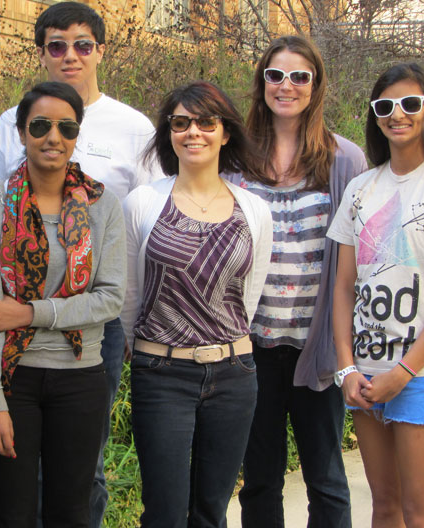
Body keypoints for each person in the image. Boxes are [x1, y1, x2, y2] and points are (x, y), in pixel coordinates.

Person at [0, 1, 157, 525]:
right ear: (43, 53)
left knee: (86, 468)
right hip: (15, 331)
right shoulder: (11, 124)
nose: (70, 56)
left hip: (94, 327)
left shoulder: (133, 128)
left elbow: (145, 229)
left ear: (101, 51)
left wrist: (131, 322)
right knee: (20, 465)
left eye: (83, 45)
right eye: (57, 46)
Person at [0, 81, 126, 527]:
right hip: (13, 381)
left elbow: (109, 298)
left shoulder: (102, 206)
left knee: (71, 513)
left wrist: (29, 312)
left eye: (66, 127)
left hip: (81, 378)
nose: (53, 137)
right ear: (20, 132)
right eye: (40, 125)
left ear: (77, 135)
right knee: (13, 514)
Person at [329, 63, 424, 527]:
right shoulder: (360, 188)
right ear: (374, 116)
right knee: (385, 507)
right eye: (385, 106)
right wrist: (347, 368)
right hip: (368, 374)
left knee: (421, 511)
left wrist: (405, 372)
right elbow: (343, 287)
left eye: (411, 104)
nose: (398, 114)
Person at [227, 35, 365, 527]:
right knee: (259, 477)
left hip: (318, 349)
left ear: (316, 86)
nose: (286, 85)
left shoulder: (343, 160)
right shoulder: (235, 159)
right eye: (275, 74)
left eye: (299, 76)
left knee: (325, 478)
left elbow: (356, 260)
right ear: (262, 80)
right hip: (252, 346)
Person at [121, 81, 273, 527]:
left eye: (207, 122)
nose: (194, 132)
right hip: (161, 375)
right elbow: (131, 296)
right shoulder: (144, 202)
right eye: (181, 122)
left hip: (233, 375)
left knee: (211, 511)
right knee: (165, 512)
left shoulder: (254, 210)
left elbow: (250, 295)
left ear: (225, 132)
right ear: (169, 133)